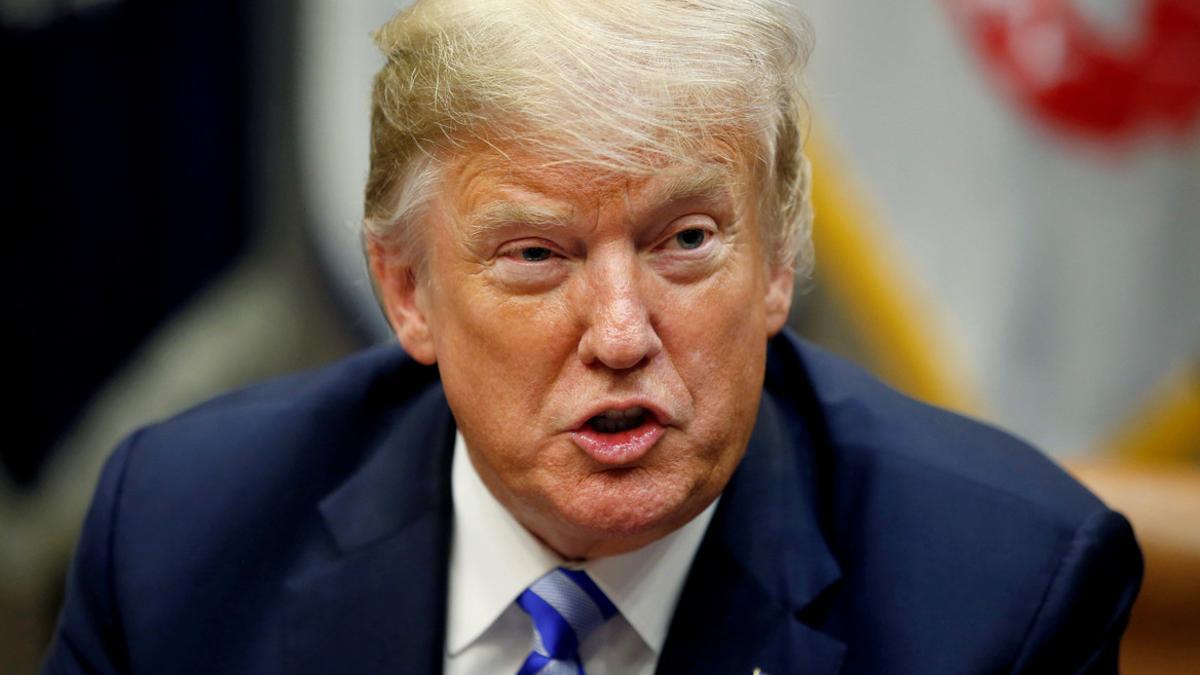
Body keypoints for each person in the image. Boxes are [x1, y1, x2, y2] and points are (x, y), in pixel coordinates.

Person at [44, 1, 1142, 673]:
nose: (621, 335)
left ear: (777, 263)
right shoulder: (181, 535)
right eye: (536, 256)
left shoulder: (1005, 592)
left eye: (687, 240)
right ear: (408, 292)